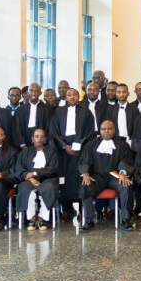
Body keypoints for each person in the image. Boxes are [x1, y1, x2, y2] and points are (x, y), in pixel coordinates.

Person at [78, 120, 136, 231]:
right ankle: (88, 220)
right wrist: (85, 173)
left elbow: (125, 161)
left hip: (115, 177)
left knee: (126, 186)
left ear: (114, 130)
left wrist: (123, 173)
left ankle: (125, 220)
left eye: (109, 129)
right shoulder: (91, 145)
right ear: (100, 130)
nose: (106, 131)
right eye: (103, 129)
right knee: (86, 185)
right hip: (97, 177)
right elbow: (85, 161)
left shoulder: (122, 145)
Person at [50, 88, 96, 221]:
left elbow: (89, 132)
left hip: (80, 152)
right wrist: (64, 146)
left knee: (79, 178)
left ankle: (82, 209)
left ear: (78, 97)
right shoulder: (58, 112)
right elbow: (54, 131)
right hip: (63, 152)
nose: (72, 97)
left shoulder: (86, 112)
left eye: (75, 94)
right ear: (65, 97)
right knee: (63, 179)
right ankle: (65, 209)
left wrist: (78, 146)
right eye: (69, 95)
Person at [12, 128, 59, 230]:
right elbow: (19, 169)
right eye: (36, 137)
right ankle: (32, 218)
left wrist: (35, 173)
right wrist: (31, 179)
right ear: (32, 139)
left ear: (45, 139)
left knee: (50, 189)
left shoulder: (51, 152)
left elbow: (53, 168)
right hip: (28, 180)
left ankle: (42, 219)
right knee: (26, 190)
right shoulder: (25, 153)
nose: (39, 139)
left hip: (47, 179)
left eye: (42, 137)